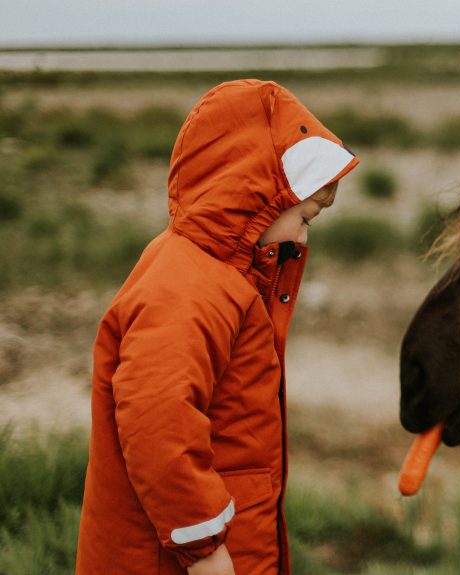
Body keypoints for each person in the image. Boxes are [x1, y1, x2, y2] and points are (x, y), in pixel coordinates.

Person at [75, 79, 358, 575]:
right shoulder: (186, 287)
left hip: (229, 540)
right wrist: (204, 546)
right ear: (256, 197)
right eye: (304, 218)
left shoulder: (224, 279)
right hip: (175, 558)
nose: (303, 237)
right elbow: (157, 421)